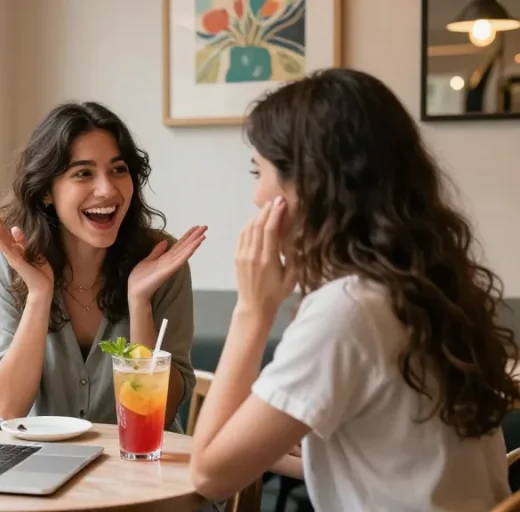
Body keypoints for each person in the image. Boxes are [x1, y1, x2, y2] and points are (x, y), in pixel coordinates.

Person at [189, 68, 518, 510]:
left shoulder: (347, 310)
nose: (256, 196)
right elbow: (391, 460)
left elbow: (209, 475)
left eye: (258, 171)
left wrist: (252, 309)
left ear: (308, 185)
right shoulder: (421, 286)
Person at [0, 101, 207, 433]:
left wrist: (139, 301)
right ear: (46, 192)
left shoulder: (162, 263)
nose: (107, 189)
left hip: (141, 470)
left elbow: (159, 414)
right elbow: (11, 408)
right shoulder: (5, 263)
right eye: (83, 173)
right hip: (45, 468)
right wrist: (40, 294)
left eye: (118, 169)